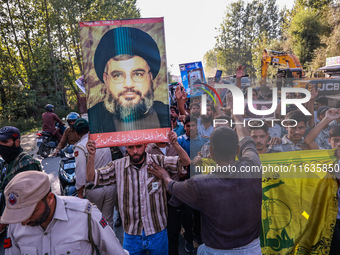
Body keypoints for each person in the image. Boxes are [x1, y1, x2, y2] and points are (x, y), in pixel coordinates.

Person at [148, 114, 263, 254]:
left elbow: (172, 187)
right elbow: (247, 141)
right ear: (238, 150)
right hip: (252, 249)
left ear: (211, 152)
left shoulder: (200, 184)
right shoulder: (253, 167)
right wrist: (238, 118)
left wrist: (164, 175)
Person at [86, 131, 190, 254]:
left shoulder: (158, 161)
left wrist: (175, 144)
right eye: (131, 147)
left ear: (145, 146)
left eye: (138, 146)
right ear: (126, 147)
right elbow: (91, 177)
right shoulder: (117, 166)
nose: (135, 151)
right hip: (132, 235)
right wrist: (91, 155)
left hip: (157, 232)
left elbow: (186, 162)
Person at [0, 171, 127, 255]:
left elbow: (115, 251)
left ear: (49, 198)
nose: (24, 221)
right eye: (20, 214)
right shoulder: (16, 222)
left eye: (31, 212)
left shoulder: (84, 214)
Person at [88, 26, 170, 133]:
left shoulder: (164, 113)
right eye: (117, 75)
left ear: (150, 77)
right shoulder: (95, 118)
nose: (128, 84)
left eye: (138, 74)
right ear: (106, 79)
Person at [73, 118, 116, 228]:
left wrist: (79, 193)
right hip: (111, 186)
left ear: (76, 134)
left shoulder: (80, 147)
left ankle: (99, 244)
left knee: (95, 221)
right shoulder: (102, 141)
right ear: (89, 130)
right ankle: (109, 243)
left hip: (94, 189)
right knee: (108, 220)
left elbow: (81, 172)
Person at [0, 126, 42, 233]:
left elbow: (33, 201)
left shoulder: (26, 164)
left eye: (5, 141)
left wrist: (4, 221)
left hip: (26, 225)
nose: (1, 145)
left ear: (17, 142)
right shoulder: (8, 162)